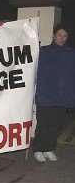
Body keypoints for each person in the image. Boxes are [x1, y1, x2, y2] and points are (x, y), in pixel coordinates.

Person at [33, 24, 75, 162]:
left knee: (56, 125)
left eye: (65, 36)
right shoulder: (43, 51)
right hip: (45, 95)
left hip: (62, 97)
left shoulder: (71, 53)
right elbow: (37, 74)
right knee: (43, 124)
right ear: (53, 36)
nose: (62, 38)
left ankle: (49, 148)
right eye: (59, 35)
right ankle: (38, 149)